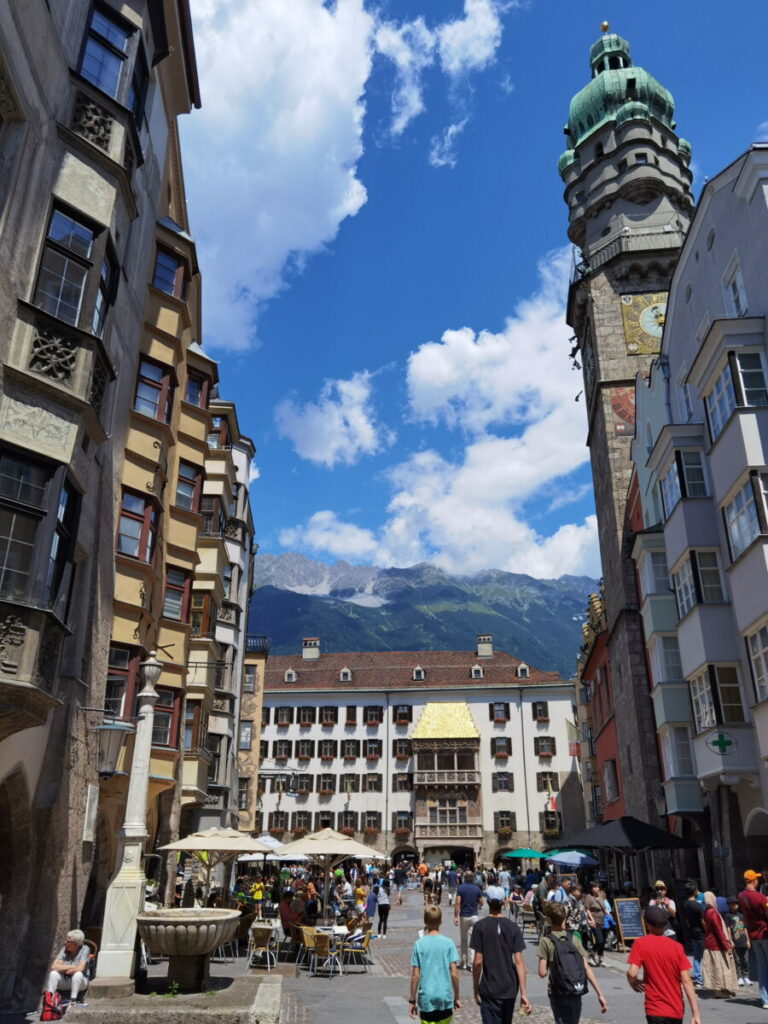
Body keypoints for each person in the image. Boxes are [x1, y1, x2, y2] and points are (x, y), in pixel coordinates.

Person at [627, 905, 700, 1024]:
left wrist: (633, 983)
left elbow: (632, 972)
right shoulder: (677, 947)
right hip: (675, 1009)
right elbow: (686, 980)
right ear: (665, 924)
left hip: (654, 1009)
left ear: (647, 924)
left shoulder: (640, 943)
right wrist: (695, 1013)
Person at [537, 902, 607, 1024]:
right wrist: (599, 994)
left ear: (548, 920)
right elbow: (587, 968)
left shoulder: (546, 941)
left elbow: (542, 973)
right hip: (575, 987)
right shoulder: (574, 938)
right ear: (564, 918)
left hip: (557, 990)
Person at [472, 894, 531, 1023]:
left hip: (490, 987)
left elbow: (477, 962)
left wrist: (475, 988)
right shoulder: (513, 927)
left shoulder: (479, 926)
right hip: (509, 986)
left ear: (487, 902)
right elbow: (519, 961)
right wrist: (524, 993)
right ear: (504, 903)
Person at [409, 906, 461, 1024]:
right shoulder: (449, 943)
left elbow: (415, 976)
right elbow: (454, 973)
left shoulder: (419, 944)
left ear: (425, 922)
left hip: (426, 998)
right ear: (441, 922)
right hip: (444, 997)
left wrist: (412, 1000)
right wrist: (457, 997)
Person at [739, 868, 768, 1007]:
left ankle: (765, 1000)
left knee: (762, 967)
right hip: (765, 933)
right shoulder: (760, 898)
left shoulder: (741, 896)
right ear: (754, 880)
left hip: (754, 935)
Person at [701, 890, 737, 997]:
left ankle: (724, 990)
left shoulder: (707, 911)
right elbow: (718, 931)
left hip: (711, 943)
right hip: (716, 945)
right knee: (721, 969)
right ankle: (720, 991)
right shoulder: (712, 913)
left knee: (719, 969)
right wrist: (726, 945)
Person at [45, 930, 90, 1007]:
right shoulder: (64, 949)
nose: (65, 942)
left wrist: (63, 968)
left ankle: (73, 1001)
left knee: (78, 974)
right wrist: (72, 967)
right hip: (66, 981)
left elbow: (80, 969)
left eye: (68, 941)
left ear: (75, 944)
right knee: (53, 974)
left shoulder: (85, 949)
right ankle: (48, 1001)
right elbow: (54, 967)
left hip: (80, 982)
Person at [454, 870, 484, 970]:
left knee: (463, 939)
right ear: (473, 878)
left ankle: (463, 962)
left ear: (464, 877)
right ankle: (471, 964)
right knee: (473, 940)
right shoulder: (476, 888)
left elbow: (457, 902)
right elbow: (482, 902)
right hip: (474, 916)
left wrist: (455, 916)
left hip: (464, 916)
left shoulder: (461, 888)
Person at [680, 883, 704, 987]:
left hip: (692, 932)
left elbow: (686, 921)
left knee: (696, 956)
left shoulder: (685, 905)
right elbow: (703, 921)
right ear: (694, 892)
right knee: (705, 956)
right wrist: (707, 931)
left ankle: (698, 979)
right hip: (701, 933)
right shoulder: (698, 905)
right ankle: (705, 978)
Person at [726, 896, 751, 987]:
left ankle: (746, 976)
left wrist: (748, 940)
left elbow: (745, 929)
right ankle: (739, 976)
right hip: (735, 941)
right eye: (732, 904)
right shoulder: (728, 916)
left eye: (735, 904)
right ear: (729, 906)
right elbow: (728, 928)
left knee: (745, 959)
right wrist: (730, 940)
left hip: (743, 940)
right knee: (737, 960)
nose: (734, 906)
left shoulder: (741, 916)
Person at [583, 883, 605, 967]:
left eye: (598, 886)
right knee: (600, 940)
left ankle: (600, 959)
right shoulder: (589, 897)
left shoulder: (601, 896)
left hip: (603, 921)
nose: (597, 888)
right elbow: (587, 909)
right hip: (595, 922)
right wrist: (591, 919)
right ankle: (591, 954)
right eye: (595, 887)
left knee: (603, 941)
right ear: (591, 888)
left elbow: (603, 907)